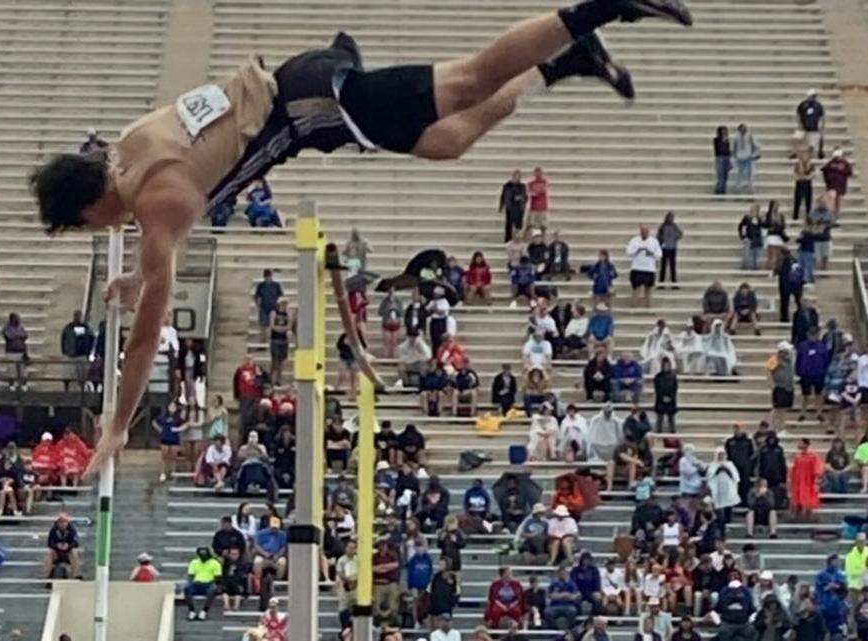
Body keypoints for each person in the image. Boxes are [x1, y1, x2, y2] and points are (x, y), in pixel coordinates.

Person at [37, 3, 696, 471]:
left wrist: (117, 427)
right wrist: (141, 277)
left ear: (93, 203)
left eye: (90, 224)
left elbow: (148, 336)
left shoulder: (160, 206)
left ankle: (602, 9)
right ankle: (566, 63)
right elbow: (193, 167)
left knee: (470, 80)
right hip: (306, 96)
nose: (103, 231)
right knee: (450, 140)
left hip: (319, 100)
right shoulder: (128, 146)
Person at [626, 225, 662, 307]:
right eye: (642, 232)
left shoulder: (654, 241)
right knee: (636, 289)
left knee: (648, 290)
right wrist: (637, 251)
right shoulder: (634, 240)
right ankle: (633, 307)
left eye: (646, 232)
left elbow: (659, 255)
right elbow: (628, 252)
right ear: (640, 232)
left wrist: (651, 253)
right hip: (637, 268)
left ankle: (648, 307)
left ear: (648, 232)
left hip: (649, 269)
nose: (644, 234)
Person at [788, 438, 823, 520]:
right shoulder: (797, 457)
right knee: (797, 500)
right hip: (798, 481)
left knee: (807, 500)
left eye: (801, 443)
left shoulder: (813, 456)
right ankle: (797, 519)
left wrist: (817, 477)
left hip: (808, 481)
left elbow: (818, 467)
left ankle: (808, 518)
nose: (799, 444)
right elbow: (794, 469)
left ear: (806, 445)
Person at [767, 342, 795, 430]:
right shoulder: (775, 359)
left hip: (788, 387)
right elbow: (768, 371)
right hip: (780, 387)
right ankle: (773, 427)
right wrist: (771, 384)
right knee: (777, 409)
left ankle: (781, 427)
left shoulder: (789, 360)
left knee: (784, 409)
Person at [45, 513, 81, 579]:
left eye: (64, 521)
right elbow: (49, 543)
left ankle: (75, 575)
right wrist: (57, 545)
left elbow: (76, 542)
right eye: (60, 522)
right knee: (49, 553)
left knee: (74, 552)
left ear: (67, 522)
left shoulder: (72, 530)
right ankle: (48, 576)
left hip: (68, 552)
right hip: (57, 551)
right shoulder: (53, 530)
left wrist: (68, 546)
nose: (62, 524)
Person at [820, 148, 853, 214]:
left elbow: (849, 173)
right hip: (832, 184)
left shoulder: (845, 163)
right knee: (832, 198)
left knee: (838, 200)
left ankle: (836, 214)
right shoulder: (831, 162)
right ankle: (830, 214)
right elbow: (824, 170)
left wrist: (842, 173)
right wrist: (827, 180)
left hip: (841, 184)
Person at [731, 123, 761, 193]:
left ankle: (750, 188)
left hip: (748, 157)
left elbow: (755, 146)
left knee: (750, 173)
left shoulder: (750, 136)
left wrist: (754, 155)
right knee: (740, 173)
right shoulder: (736, 137)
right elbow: (734, 147)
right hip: (739, 157)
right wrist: (734, 155)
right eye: (741, 129)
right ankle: (738, 188)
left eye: (744, 129)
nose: (742, 130)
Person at [500, 169, 528, 241]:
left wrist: (522, 199)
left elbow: (525, 196)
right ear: (513, 176)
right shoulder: (507, 185)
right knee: (509, 224)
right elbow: (503, 196)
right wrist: (501, 206)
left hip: (519, 208)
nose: (517, 178)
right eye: (516, 176)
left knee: (518, 225)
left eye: (519, 176)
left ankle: (517, 239)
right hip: (510, 207)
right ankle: (508, 239)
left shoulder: (522, 186)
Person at [796, 88, 826, 156]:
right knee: (796, 139)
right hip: (804, 127)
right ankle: (796, 153)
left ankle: (819, 152)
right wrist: (799, 124)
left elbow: (822, 117)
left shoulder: (818, 106)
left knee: (813, 143)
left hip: (814, 128)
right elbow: (798, 114)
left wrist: (821, 126)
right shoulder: (803, 104)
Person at [656, 211, 682, 287]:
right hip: (664, 248)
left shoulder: (675, 226)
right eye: (670, 218)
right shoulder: (662, 226)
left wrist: (675, 237)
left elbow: (680, 234)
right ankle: (661, 283)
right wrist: (662, 240)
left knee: (673, 266)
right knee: (663, 266)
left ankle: (674, 283)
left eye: (672, 218)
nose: (671, 219)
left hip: (672, 248)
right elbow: (658, 235)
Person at [653, 357, 678, 433]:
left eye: (667, 365)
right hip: (660, 400)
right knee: (659, 419)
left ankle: (673, 433)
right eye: (664, 365)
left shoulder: (673, 377)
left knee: (671, 419)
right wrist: (662, 397)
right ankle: (658, 432)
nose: (666, 367)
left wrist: (670, 397)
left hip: (671, 400)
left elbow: (675, 389)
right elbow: (657, 389)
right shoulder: (658, 377)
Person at [738, 203, 764, 270]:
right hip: (749, 238)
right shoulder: (747, 218)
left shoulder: (759, 219)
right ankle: (745, 266)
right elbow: (741, 227)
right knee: (747, 253)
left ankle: (755, 266)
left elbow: (761, 227)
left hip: (757, 238)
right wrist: (743, 236)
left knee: (756, 253)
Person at [792, 146, 816, 221]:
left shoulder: (811, 165)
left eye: (806, 156)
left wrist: (802, 177)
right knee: (797, 201)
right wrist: (804, 177)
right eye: (803, 156)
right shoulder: (797, 165)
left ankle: (808, 217)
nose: (805, 157)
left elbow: (812, 176)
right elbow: (795, 176)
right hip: (799, 184)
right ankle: (795, 217)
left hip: (807, 185)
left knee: (808, 201)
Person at [526, 167, 550, 231]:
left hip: (542, 207)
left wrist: (535, 192)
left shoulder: (544, 182)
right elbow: (530, 193)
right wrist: (534, 192)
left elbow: (542, 190)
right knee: (530, 225)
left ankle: (543, 240)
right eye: (536, 172)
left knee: (543, 226)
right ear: (534, 173)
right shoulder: (531, 183)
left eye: (539, 172)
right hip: (533, 207)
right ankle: (530, 239)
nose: (538, 174)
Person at [713, 125, 731, 195]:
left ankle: (723, 189)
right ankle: (719, 190)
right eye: (723, 131)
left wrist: (729, 161)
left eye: (726, 131)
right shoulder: (716, 140)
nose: (725, 132)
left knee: (725, 175)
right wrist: (723, 141)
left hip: (726, 157)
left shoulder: (727, 140)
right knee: (721, 175)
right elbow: (718, 149)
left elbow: (727, 151)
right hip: (720, 158)